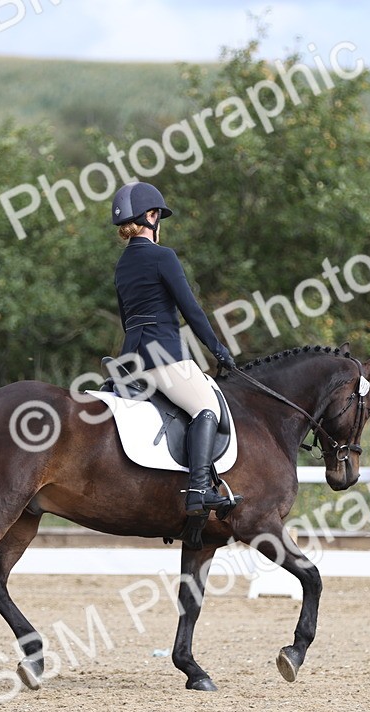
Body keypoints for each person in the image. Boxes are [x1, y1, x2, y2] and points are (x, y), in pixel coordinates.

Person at [110, 181, 237, 517]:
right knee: (207, 408)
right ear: (151, 216)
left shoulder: (122, 265)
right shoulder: (162, 256)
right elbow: (190, 309)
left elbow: (126, 318)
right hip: (162, 356)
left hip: (131, 359)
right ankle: (199, 489)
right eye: (158, 215)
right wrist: (218, 349)